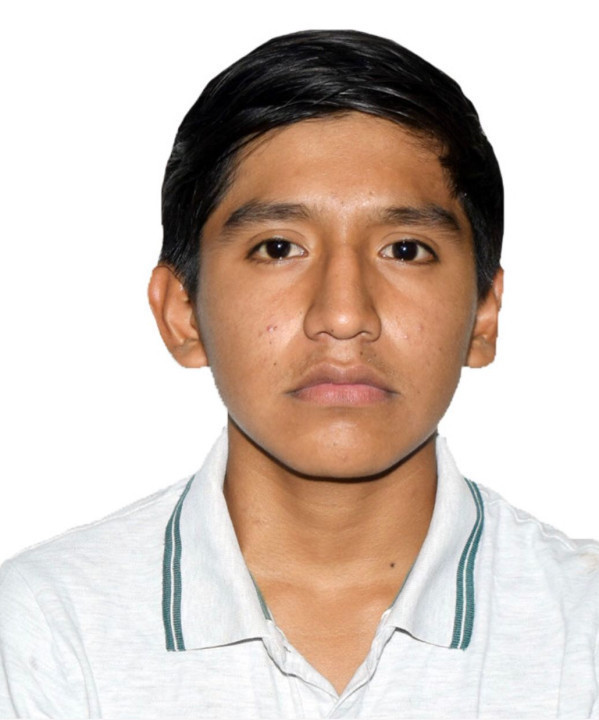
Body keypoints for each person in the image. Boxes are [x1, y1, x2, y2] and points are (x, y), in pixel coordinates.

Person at [0, 28, 597, 719]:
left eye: (405, 249)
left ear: (484, 315)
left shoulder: (581, 630)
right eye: (279, 247)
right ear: (182, 313)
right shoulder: (45, 631)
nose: (342, 315)